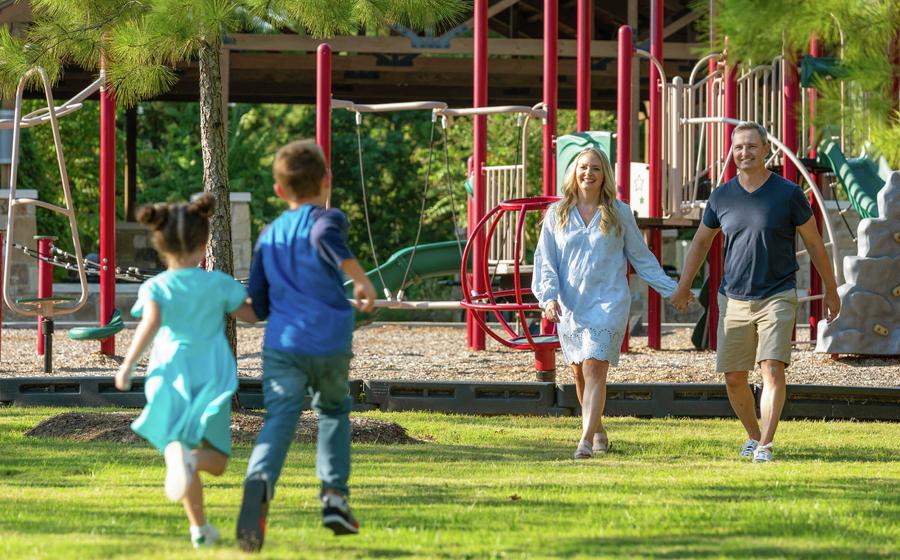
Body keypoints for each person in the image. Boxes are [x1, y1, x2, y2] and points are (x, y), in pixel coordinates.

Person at [670, 121, 840, 463]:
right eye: (737, 148)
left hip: (777, 293)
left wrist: (833, 291)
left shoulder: (789, 193)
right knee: (734, 377)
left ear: (766, 150)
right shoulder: (722, 196)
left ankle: (765, 444)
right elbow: (702, 242)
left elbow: (814, 244)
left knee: (772, 368)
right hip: (733, 298)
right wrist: (684, 285)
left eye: (750, 146)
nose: (744, 153)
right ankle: (751, 434)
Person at [236, 139, 376, 552]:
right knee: (332, 411)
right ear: (326, 180)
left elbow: (256, 309)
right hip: (329, 342)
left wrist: (226, 304)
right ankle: (334, 497)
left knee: (280, 417)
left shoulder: (268, 236)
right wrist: (361, 278)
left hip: (282, 344)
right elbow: (325, 236)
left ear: (279, 191)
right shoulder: (326, 218)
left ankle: (259, 481)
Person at [114, 193, 254, 549]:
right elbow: (252, 315)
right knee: (216, 461)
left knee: (180, 449)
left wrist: (128, 364)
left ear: (160, 245)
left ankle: (199, 528)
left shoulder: (156, 286)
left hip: (169, 372)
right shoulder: (217, 283)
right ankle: (194, 489)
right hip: (209, 374)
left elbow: (149, 325)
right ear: (205, 243)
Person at [532, 147, 689, 460]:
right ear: (573, 173)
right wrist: (547, 297)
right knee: (579, 373)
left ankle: (585, 442)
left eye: (595, 168)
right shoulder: (557, 213)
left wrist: (672, 289)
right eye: (583, 168)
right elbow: (545, 260)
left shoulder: (619, 212)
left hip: (609, 302)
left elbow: (641, 258)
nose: (588, 173)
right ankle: (598, 427)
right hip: (571, 305)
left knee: (594, 368)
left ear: (605, 175)